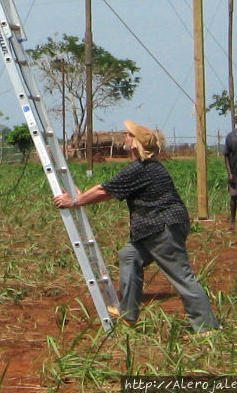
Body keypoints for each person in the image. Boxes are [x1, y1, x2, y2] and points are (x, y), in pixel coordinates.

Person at [52, 119, 218, 332]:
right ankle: (128, 313)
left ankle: (207, 328)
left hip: (162, 228)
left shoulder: (141, 169)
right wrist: (81, 197)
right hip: (153, 230)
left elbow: (105, 191)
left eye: (129, 135)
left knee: (181, 276)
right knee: (129, 256)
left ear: (135, 144)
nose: (125, 137)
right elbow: (105, 188)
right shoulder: (144, 168)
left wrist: (74, 202)